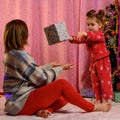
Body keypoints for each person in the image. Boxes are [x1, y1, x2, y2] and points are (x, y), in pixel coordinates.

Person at [3, 19, 111, 118]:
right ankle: (93, 107)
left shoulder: (11, 54)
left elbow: (29, 72)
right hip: (19, 103)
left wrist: (51, 65)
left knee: (65, 97)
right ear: (22, 35)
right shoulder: (19, 55)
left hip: (16, 102)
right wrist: (58, 69)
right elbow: (41, 79)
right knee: (62, 85)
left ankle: (44, 110)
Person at [69, 9, 113, 104]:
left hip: (103, 61)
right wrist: (71, 38)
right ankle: (98, 99)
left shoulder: (100, 34)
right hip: (93, 62)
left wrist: (86, 33)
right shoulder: (88, 36)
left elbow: (94, 37)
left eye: (92, 24)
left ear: (100, 25)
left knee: (104, 81)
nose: (89, 27)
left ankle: (105, 100)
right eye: (88, 25)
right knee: (95, 81)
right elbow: (80, 39)